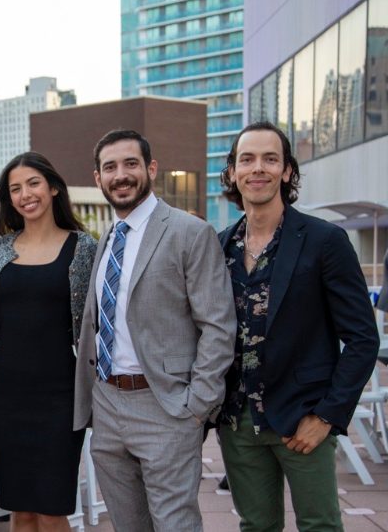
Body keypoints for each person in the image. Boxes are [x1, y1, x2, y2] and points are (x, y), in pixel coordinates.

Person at [217, 121, 379, 531]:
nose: (258, 168)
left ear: (287, 170)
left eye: (270, 159)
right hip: (238, 421)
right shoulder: (218, 246)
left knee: (320, 526)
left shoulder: (325, 240)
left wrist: (326, 416)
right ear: (233, 172)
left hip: (303, 418)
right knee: (256, 527)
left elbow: (362, 339)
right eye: (247, 159)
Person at [74, 129, 236, 531]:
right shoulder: (107, 238)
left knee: (175, 524)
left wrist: (197, 405)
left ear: (151, 168)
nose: (120, 175)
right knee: (127, 525)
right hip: (108, 405)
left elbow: (218, 324)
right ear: (98, 178)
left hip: (165, 405)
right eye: (110, 167)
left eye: (130, 164)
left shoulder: (188, 232)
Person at [0, 152, 96, 531]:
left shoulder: (83, 248)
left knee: (50, 509)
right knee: (20, 509)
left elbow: (97, 322)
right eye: (15, 189)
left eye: (33, 184)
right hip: (8, 396)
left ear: (53, 187)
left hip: (61, 397)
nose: (25, 194)